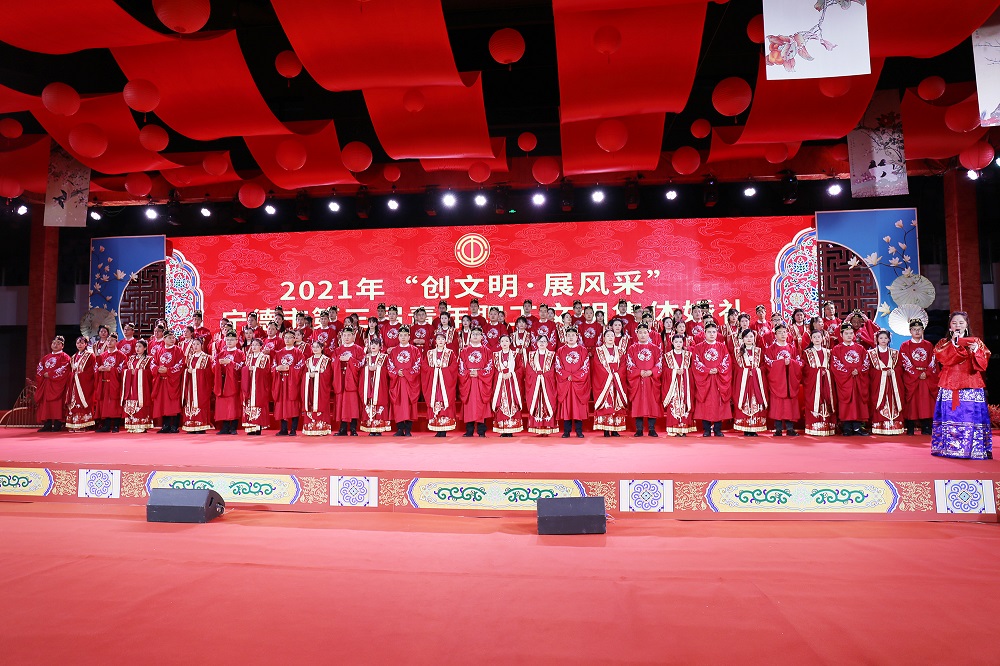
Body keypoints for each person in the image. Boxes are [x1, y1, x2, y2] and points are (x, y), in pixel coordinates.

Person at [931, 311, 992, 459]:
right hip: (950, 384)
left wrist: (975, 351)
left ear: (966, 324)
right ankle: (949, 449)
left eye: (961, 322)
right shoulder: (943, 343)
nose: (957, 325)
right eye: (954, 323)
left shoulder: (976, 342)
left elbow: (983, 364)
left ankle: (974, 449)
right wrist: (954, 344)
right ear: (950, 326)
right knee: (951, 417)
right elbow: (943, 359)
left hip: (971, 383)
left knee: (972, 417)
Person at [691, 322, 732, 437]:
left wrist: (718, 369)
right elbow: (696, 362)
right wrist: (707, 370)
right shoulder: (699, 347)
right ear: (704, 333)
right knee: (705, 404)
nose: (712, 334)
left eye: (714, 332)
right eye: (709, 332)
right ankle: (707, 429)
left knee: (719, 403)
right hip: (705, 380)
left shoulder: (722, 346)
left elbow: (727, 360)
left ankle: (718, 429)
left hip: (719, 379)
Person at [899, 319, 938, 436]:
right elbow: (905, 361)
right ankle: (910, 427)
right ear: (910, 331)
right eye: (914, 329)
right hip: (912, 378)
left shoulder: (928, 345)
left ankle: (926, 426)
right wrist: (916, 373)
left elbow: (933, 360)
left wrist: (927, 373)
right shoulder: (905, 345)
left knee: (926, 402)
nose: (917, 332)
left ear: (923, 331)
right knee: (912, 402)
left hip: (926, 377)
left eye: (919, 329)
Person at [831, 323, 870, 436]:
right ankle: (847, 427)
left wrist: (859, 370)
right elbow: (835, 364)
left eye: (851, 333)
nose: (849, 335)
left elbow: (866, 362)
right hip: (845, 381)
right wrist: (849, 372)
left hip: (858, 379)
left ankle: (857, 427)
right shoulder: (837, 349)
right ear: (841, 335)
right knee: (846, 402)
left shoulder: (860, 348)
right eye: (846, 333)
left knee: (858, 402)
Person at [763, 324, 802, 437]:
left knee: (789, 404)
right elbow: (768, 363)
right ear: (775, 335)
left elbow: (799, 362)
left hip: (789, 380)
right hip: (778, 381)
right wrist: (781, 363)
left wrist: (791, 363)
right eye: (780, 332)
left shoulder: (792, 348)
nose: (783, 334)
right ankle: (778, 429)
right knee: (778, 404)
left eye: (784, 332)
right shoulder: (771, 349)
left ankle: (790, 428)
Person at [625, 324, 662, 437]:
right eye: (640, 332)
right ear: (636, 334)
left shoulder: (655, 348)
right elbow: (629, 364)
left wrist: (652, 371)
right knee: (638, 403)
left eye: (645, 332)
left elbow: (659, 363)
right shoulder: (632, 348)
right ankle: (639, 429)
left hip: (651, 380)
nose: (642, 335)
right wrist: (639, 372)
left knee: (652, 403)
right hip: (637, 380)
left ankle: (651, 429)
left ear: (648, 334)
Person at [867, 330, 905, 436]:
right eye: (881, 338)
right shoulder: (871, 354)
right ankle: (879, 425)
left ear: (889, 339)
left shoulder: (895, 353)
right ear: (877, 340)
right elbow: (869, 370)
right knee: (879, 401)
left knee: (894, 401)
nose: (883, 340)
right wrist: (882, 373)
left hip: (893, 383)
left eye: (885, 338)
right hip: (878, 384)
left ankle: (895, 425)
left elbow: (900, 367)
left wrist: (892, 371)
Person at [555, 327, 590, 438]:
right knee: (567, 406)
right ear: (565, 337)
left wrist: (574, 376)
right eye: (568, 335)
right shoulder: (560, 351)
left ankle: (579, 431)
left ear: (577, 337)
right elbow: (558, 366)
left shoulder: (583, 350)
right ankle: (567, 431)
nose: (571, 337)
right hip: (566, 383)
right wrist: (567, 376)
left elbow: (585, 366)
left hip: (578, 383)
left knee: (578, 407)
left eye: (573, 335)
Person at [592, 330, 628, 436]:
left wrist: (616, 374)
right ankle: (606, 429)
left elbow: (623, 365)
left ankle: (615, 429)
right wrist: (608, 375)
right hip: (604, 380)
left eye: (612, 335)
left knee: (616, 403)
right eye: (608, 336)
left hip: (617, 380)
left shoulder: (620, 351)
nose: (610, 337)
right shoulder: (599, 351)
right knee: (606, 403)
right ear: (604, 338)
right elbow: (597, 365)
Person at [801, 330, 837, 436]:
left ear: (823, 338)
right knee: (814, 400)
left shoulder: (828, 352)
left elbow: (833, 366)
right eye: (814, 337)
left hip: (827, 380)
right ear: (811, 339)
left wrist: (826, 372)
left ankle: (828, 426)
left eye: (819, 337)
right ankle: (814, 426)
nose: (817, 339)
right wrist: (818, 372)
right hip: (813, 382)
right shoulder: (807, 352)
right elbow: (805, 368)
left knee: (827, 400)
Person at [732, 330, 768, 436]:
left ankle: (755, 428)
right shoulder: (737, 351)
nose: (749, 339)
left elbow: (764, 365)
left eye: (751, 336)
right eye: (746, 337)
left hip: (757, 380)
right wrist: (746, 372)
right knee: (745, 402)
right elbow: (734, 367)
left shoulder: (759, 351)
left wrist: (756, 371)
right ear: (742, 339)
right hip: (743, 381)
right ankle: (745, 428)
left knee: (756, 401)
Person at [459, 328, 494, 437]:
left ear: (482, 337)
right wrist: (468, 373)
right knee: (469, 405)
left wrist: (479, 373)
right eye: (473, 334)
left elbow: (490, 366)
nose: (475, 336)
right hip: (468, 380)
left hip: (481, 381)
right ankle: (469, 430)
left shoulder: (487, 351)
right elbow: (461, 366)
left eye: (478, 334)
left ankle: (481, 430)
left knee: (481, 404)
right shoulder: (464, 351)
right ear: (470, 336)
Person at [387, 326, 421, 436]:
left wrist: (406, 373)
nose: (403, 337)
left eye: (405, 335)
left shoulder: (415, 350)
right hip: (397, 381)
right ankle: (400, 429)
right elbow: (390, 365)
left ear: (409, 337)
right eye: (401, 335)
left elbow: (418, 365)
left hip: (410, 382)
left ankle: (408, 429)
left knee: (409, 405)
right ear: (398, 337)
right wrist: (397, 372)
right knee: (398, 404)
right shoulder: (394, 351)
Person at [422, 333, 458, 436]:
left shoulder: (450, 353)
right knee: (435, 400)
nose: (440, 341)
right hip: (433, 382)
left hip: (445, 383)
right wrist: (434, 371)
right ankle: (437, 428)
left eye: (442, 339)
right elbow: (424, 366)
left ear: (445, 341)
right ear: (435, 341)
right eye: (438, 339)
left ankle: (444, 429)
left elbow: (454, 366)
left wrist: (442, 371)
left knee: (444, 400)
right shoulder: (429, 353)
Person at [332, 327, 365, 436]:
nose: (346, 337)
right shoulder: (338, 350)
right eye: (344, 335)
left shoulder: (358, 349)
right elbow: (332, 363)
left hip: (352, 380)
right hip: (341, 379)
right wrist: (339, 360)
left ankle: (353, 428)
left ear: (353, 337)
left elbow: (361, 363)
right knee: (341, 403)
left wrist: (350, 360)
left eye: (349, 335)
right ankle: (342, 428)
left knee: (352, 403)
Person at [525, 335, 560, 436]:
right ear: (536, 343)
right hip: (535, 383)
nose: (542, 343)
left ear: (547, 343)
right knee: (536, 402)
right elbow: (528, 370)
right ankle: (537, 427)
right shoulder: (531, 355)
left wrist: (544, 376)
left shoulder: (552, 355)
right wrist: (536, 375)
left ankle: (548, 427)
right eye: (540, 341)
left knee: (548, 402)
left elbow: (554, 369)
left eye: (544, 341)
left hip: (548, 383)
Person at [272, 330, 305, 436]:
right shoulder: (279, 353)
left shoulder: (298, 352)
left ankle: (293, 429)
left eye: (290, 337)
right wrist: (277, 368)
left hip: (292, 382)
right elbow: (273, 366)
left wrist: (289, 369)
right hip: (281, 382)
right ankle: (284, 429)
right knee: (282, 405)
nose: (287, 339)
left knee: (293, 404)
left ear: (294, 339)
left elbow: (301, 365)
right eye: (286, 337)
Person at [662, 333, 695, 436]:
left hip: (686, 383)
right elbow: (664, 370)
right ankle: (674, 428)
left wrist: (685, 371)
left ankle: (684, 429)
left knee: (685, 403)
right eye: (676, 342)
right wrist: (674, 372)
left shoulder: (688, 355)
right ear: (672, 343)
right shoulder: (667, 356)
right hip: (673, 385)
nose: (678, 344)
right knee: (674, 404)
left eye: (680, 342)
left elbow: (692, 369)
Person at [152, 331, 185, 434]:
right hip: (161, 381)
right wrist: (157, 369)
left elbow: (181, 364)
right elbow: (153, 363)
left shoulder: (178, 350)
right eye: (169, 338)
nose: (172, 339)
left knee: (174, 402)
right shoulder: (159, 350)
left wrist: (168, 370)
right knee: (164, 403)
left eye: (173, 338)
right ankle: (165, 425)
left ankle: (174, 426)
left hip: (173, 381)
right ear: (164, 339)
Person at [491, 334, 524, 436]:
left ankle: (511, 429)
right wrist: (500, 375)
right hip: (500, 383)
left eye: (506, 341)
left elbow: (521, 368)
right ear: (499, 343)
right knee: (501, 403)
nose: (504, 343)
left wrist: (512, 374)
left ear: (510, 342)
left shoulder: (515, 354)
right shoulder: (495, 355)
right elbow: (493, 370)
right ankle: (502, 429)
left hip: (512, 382)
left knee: (512, 402)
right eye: (502, 341)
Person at [213, 331, 244, 435]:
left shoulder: (239, 353)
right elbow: (213, 366)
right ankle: (225, 427)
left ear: (236, 341)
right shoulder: (221, 353)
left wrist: (230, 363)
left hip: (233, 382)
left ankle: (233, 427)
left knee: (233, 404)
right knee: (223, 405)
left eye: (232, 340)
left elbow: (241, 367)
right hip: (222, 381)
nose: (229, 342)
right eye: (228, 340)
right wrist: (218, 364)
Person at [180, 338, 214, 433]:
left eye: (197, 344)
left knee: (200, 403)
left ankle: (201, 425)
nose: (195, 346)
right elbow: (185, 369)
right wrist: (187, 371)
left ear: (202, 345)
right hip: (190, 385)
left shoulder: (207, 358)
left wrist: (195, 372)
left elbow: (209, 373)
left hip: (201, 385)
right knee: (190, 403)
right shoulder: (190, 358)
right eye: (194, 344)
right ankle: (190, 424)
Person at [95, 333, 127, 433]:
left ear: (116, 342)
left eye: (112, 340)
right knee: (105, 404)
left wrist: (111, 369)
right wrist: (99, 369)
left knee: (115, 403)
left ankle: (116, 425)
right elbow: (96, 367)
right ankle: (106, 425)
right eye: (108, 340)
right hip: (104, 383)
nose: (109, 342)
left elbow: (123, 369)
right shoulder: (102, 355)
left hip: (115, 382)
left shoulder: (121, 355)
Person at [360, 338, 392, 435]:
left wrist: (378, 369)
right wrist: (367, 369)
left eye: (376, 344)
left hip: (380, 385)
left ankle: (379, 428)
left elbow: (388, 370)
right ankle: (370, 427)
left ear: (380, 346)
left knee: (379, 403)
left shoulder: (385, 357)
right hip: (368, 384)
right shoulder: (366, 357)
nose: (373, 346)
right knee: (369, 403)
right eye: (372, 344)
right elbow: (360, 370)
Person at [65, 336, 97, 432]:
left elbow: (91, 371)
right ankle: (73, 424)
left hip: (84, 384)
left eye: (82, 343)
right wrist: (73, 376)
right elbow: (70, 371)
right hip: (74, 384)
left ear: (86, 344)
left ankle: (83, 424)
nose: (80, 345)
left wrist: (79, 375)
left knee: (81, 402)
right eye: (78, 343)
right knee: (73, 403)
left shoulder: (90, 356)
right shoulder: (73, 357)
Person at [301, 341, 333, 436]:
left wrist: (317, 375)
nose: (315, 349)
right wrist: (308, 375)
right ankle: (310, 428)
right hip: (310, 387)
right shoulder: (308, 361)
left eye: (317, 347)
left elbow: (328, 374)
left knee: (321, 405)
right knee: (310, 404)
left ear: (322, 348)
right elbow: (303, 374)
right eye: (313, 347)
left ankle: (321, 428)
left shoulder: (326, 360)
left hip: (321, 388)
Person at [122, 340, 154, 433]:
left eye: (140, 346)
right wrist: (129, 372)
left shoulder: (149, 359)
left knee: (140, 403)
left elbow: (150, 373)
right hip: (130, 385)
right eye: (136, 346)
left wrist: (137, 372)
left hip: (142, 386)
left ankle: (142, 424)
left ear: (145, 348)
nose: (137, 348)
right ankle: (131, 424)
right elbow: (124, 369)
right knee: (130, 403)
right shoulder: (131, 358)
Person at [240, 338, 271, 436]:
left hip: (259, 385)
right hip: (249, 384)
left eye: (256, 345)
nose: (254, 347)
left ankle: (258, 427)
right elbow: (244, 369)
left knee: (258, 403)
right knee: (249, 403)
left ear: (261, 346)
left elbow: (267, 372)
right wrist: (247, 369)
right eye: (252, 345)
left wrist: (255, 369)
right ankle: (250, 427)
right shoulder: (248, 357)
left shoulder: (264, 358)